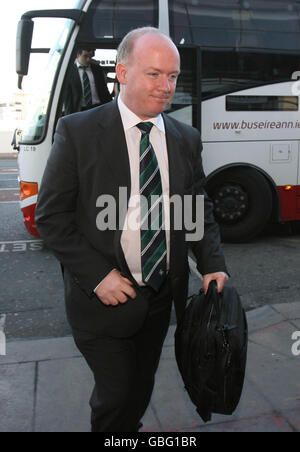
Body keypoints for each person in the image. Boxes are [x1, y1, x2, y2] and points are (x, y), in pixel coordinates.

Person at [35, 27, 229, 432]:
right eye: (154, 74)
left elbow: (197, 207)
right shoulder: (78, 132)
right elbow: (51, 217)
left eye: (173, 77)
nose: (166, 87)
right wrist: (98, 275)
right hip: (101, 300)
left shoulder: (185, 138)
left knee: (140, 387)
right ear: (122, 72)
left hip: (159, 298)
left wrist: (212, 261)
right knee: (116, 393)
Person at [64, 48, 112, 115]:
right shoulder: (70, 71)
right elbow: (68, 98)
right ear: (78, 55)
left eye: (90, 56)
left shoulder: (97, 69)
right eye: (85, 56)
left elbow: (104, 90)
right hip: (79, 110)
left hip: (98, 108)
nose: (88, 59)